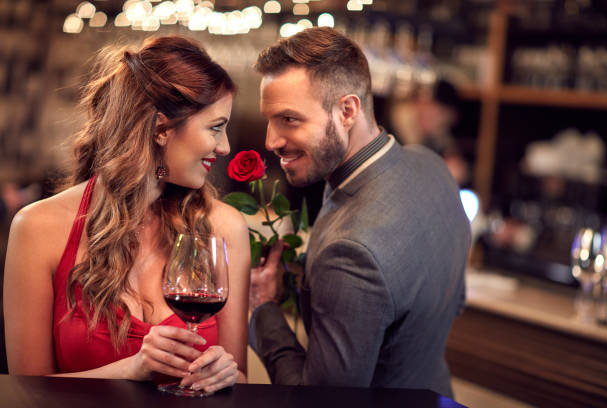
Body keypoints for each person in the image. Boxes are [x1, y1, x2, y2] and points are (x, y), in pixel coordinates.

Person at [3, 36, 250, 394]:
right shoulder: (37, 228)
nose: (225, 146)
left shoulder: (225, 227)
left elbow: (240, 380)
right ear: (162, 129)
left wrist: (227, 375)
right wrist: (130, 369)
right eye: (215, 127)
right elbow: (21, 390)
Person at [248, 27, 471, 398]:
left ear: (347, 110)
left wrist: (263, 309)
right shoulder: (432, 165)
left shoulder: (350, 251)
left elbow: (322, 401)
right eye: (270, 119)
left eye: (289, 119)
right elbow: (455, 300)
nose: (271, 141)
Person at [389, 78, 469, 185]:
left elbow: (450, 151)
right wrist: (439, 173)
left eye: (445, 122)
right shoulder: (391, 133)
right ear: (423, 101)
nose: (440, 124)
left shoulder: (433, 135)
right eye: (440, 114)